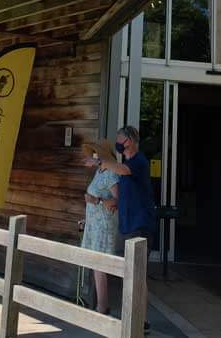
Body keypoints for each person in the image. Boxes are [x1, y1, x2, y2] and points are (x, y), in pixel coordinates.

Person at [103, 125, 156, 330]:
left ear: (130, 141)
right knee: (133, 274)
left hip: (140, 225)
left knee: (137, 274)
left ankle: (140, 320)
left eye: (120, 139)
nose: (118, 142)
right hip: (127, 224)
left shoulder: (138, 161)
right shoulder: (127, 164)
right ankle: (138, 319)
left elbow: (123, 170)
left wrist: (102, 161)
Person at [81, 140, 119, 315]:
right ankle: (100, 305)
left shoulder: (111, 173)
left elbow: (118, 201)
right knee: (96, 263)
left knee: (100, 264)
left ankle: (102, 306)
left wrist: (96, 200)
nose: (94, 157)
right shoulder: (99, 171)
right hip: (95, 224)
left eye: (96, 153)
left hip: (103, 225)